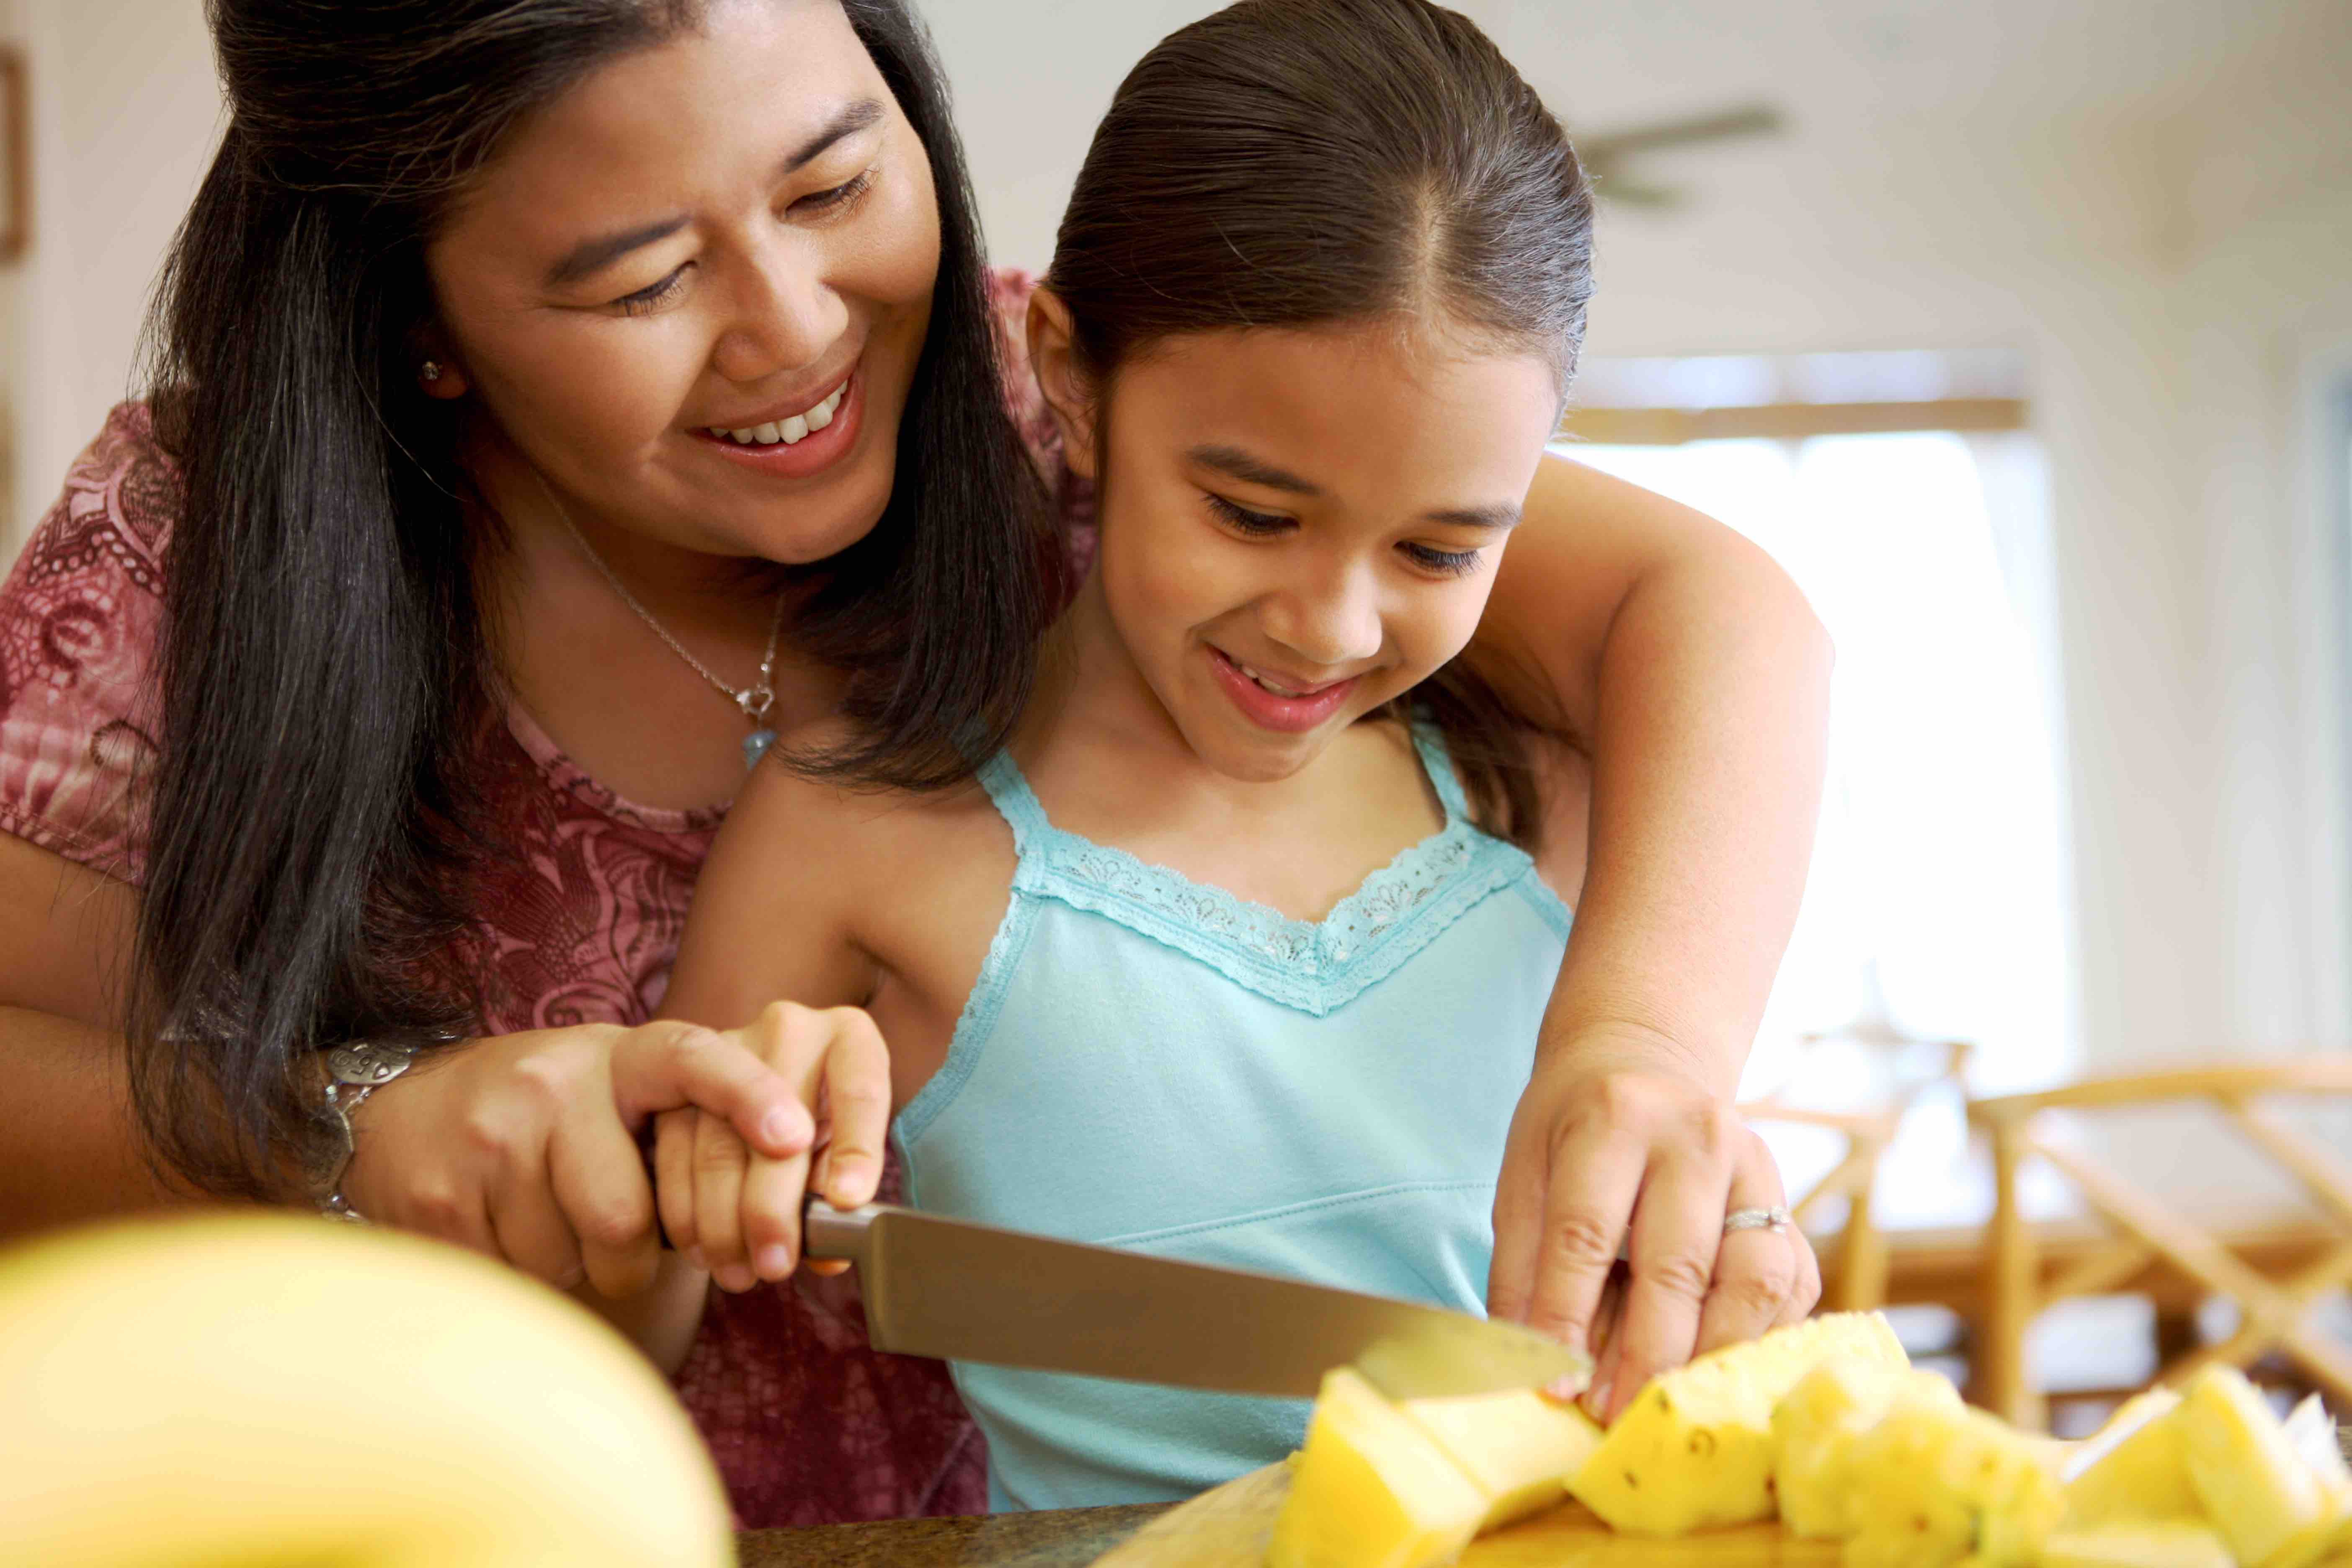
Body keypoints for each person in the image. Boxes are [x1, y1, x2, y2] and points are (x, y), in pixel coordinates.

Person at [0, 0, 1828, 1529]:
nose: (802, 330)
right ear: (421, 315)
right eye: (642, 279)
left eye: (837, 182)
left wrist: (1647, 1050)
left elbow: (1705, 609)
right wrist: (342, 1123)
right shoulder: (192, 549)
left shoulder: (1091, 424)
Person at [647, 0, 1818, 1512]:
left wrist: (1709, 1230)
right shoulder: (853, 834)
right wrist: (697, 1165)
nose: (1332, 625)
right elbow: (642, 1320)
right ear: (1067, 375)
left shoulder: (1544, 779)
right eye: (1253, 515)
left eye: (1444, 546)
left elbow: (1740, 636)